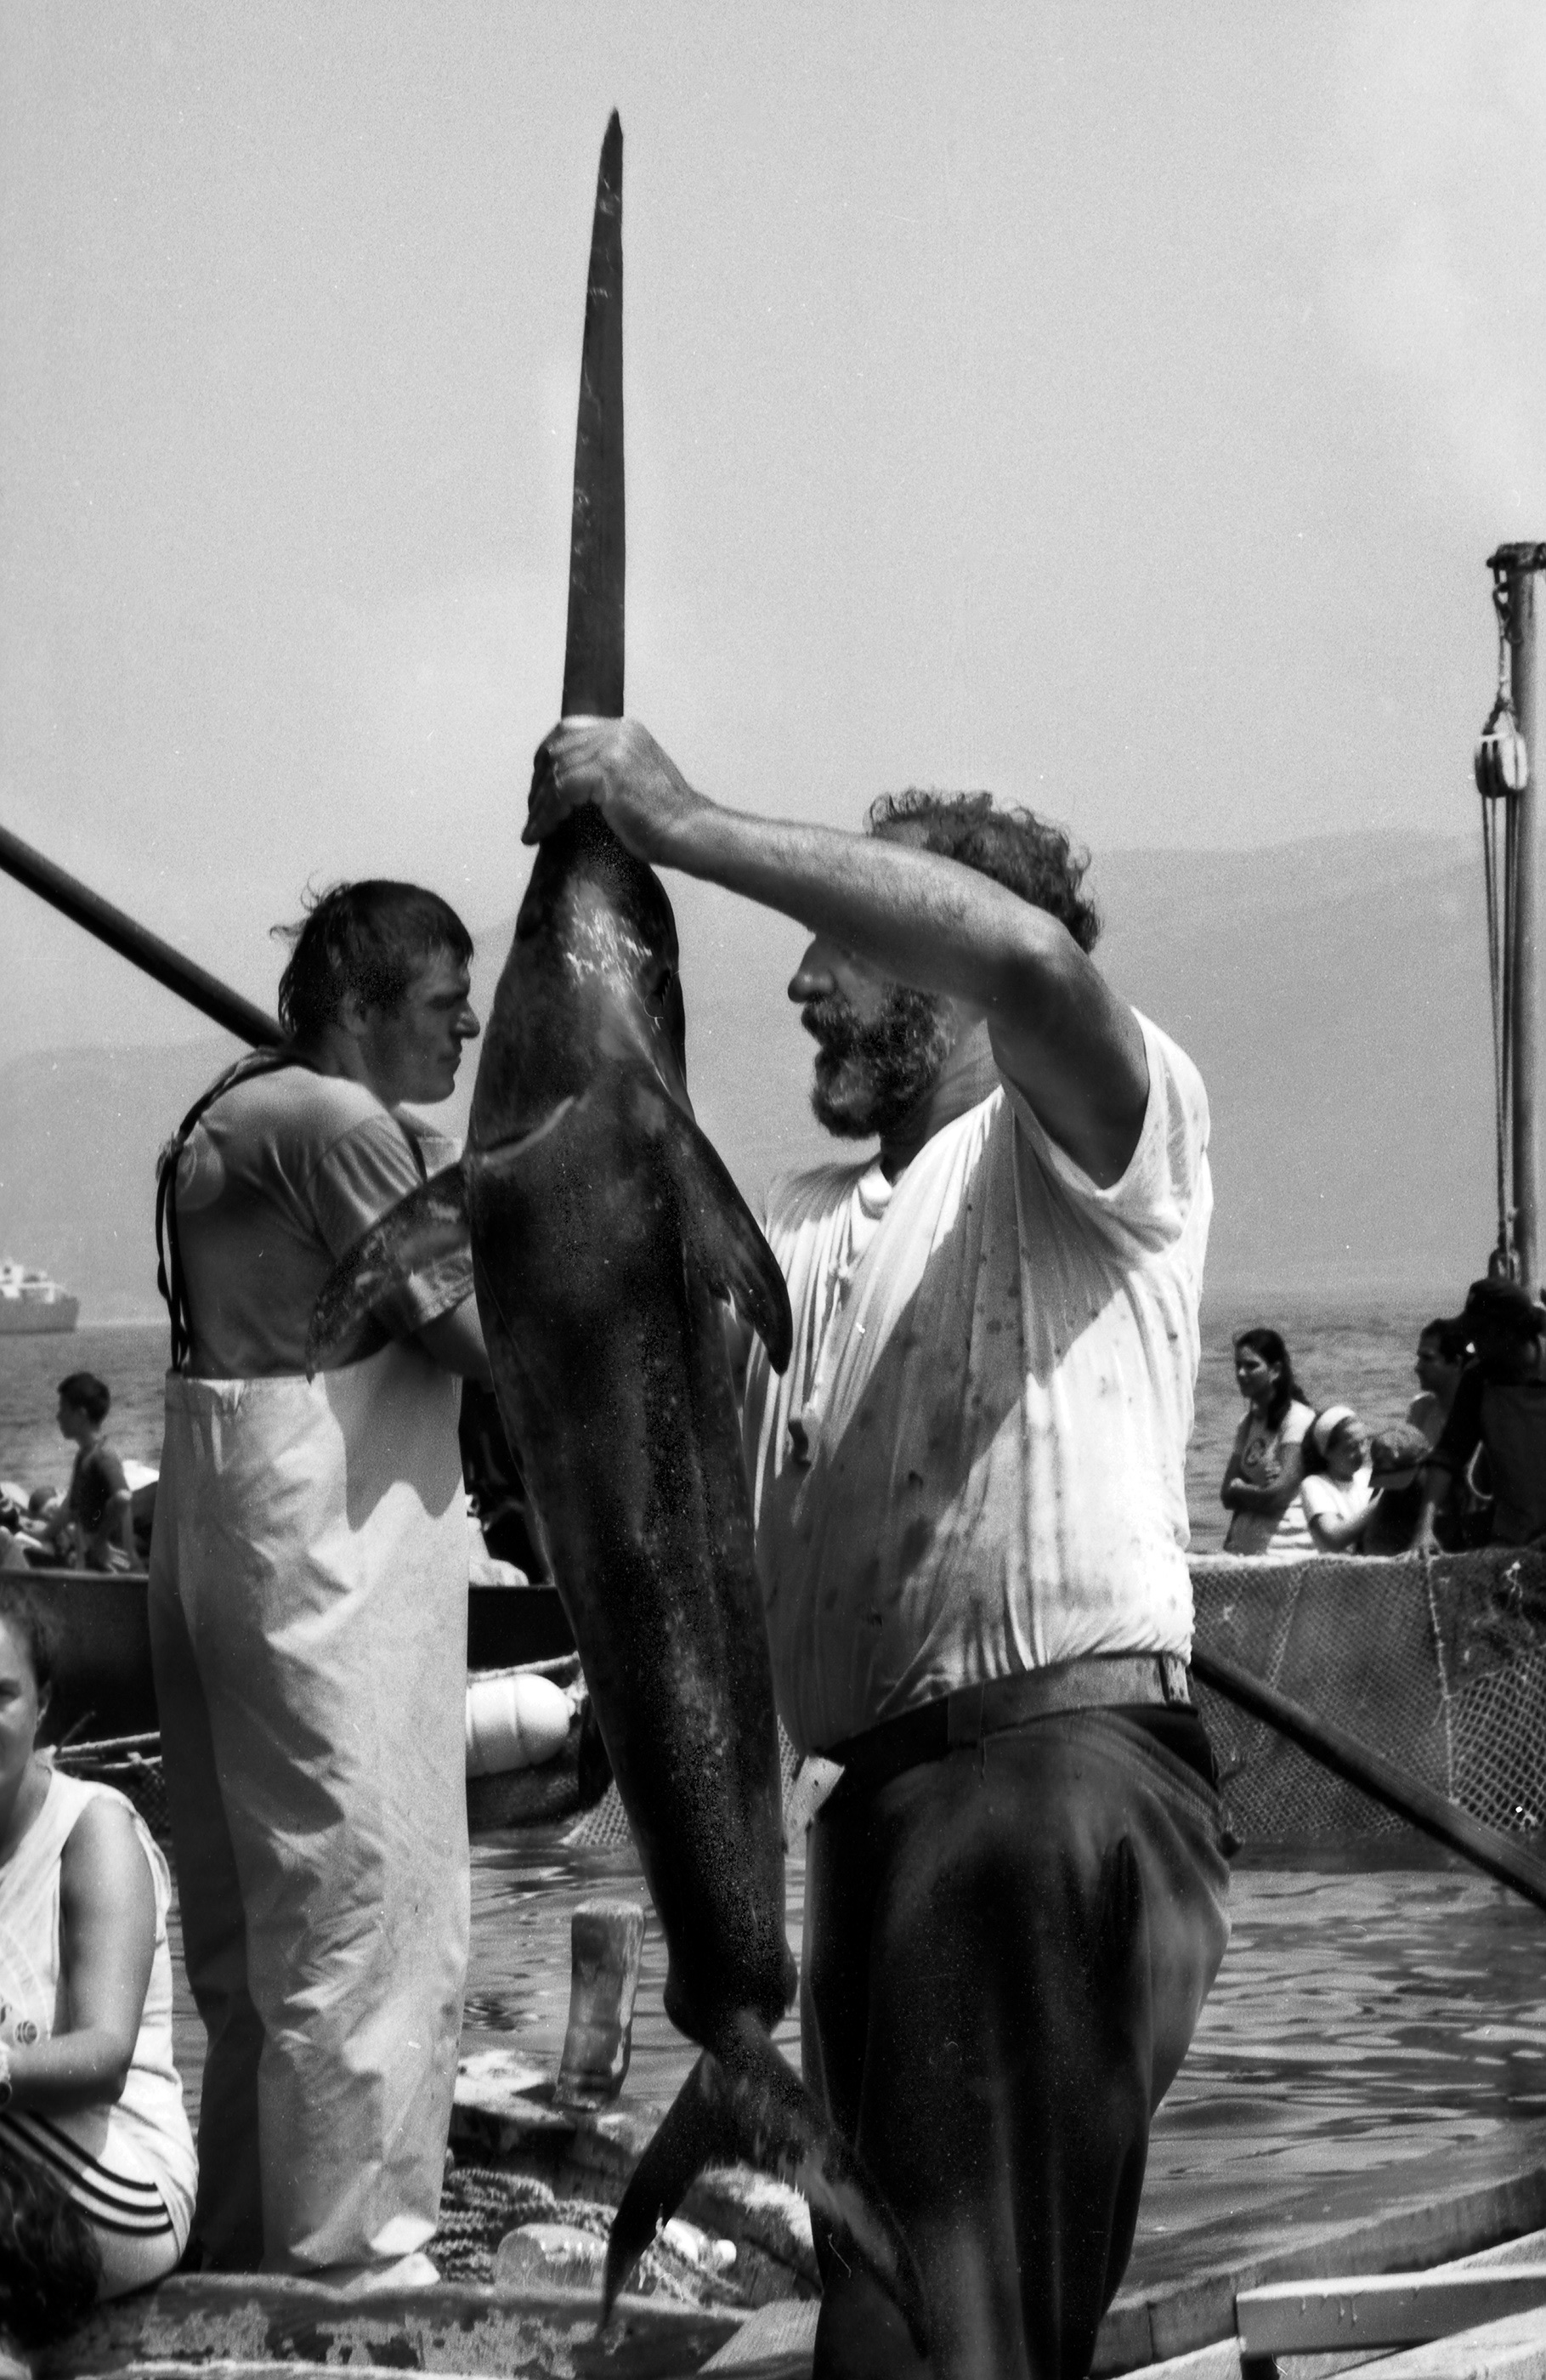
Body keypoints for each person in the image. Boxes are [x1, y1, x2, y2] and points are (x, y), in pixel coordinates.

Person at [527, 719, 1232, 2380]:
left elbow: (1032, 959)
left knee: (939, 2346)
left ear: (936, 942)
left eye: (839, 940)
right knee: (888, 2330)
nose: (800, 989)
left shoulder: (1095, 1146)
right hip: (868, 1825)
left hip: (1039, 1779)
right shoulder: (791, 1220)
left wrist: (676, 823)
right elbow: (591, 1376)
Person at [147, 879, 490, 2287]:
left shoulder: (228, 1112)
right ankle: (354, 2260)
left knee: (250, 1926)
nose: (464, 1030)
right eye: (437, 1006)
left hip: (223, 1532)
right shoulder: (345, 1127)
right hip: (322, 1559)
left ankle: (241, 2237)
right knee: (368, 1906)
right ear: (354, 1004)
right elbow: (470, 1329)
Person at [0, 1584, 197, 2326]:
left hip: (126, 2189)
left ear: (42, 1704)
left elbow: (105, 2059)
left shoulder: (93, 1833)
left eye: (2, 1696)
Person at [1416, 1278, 1546, 1553]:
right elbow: (1448, 1454)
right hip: (1514, 1543)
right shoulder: (1477, 1380)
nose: (1471, 1344)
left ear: (1509, 1333)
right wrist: (1424, 1530)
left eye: (1479, 1333)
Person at [1219, 1328, 1317, 1561]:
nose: (1241, 1373)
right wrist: (1255, 1492)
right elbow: (1226, 1495)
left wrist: (1242, 1488)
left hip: (1286, 1551)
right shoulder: (1247, 1423)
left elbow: (1278, 1496)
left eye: (1251, 1366)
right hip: (1247, 1549)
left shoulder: (1297, 1419)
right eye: (1238, 1366)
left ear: (1275, 1371)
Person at [44, 1376, 135, 1572]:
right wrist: (40, 1535)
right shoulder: (84, 1455)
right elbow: (69, 1510)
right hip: (93, 1565)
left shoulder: (103, 1457)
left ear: (81, 1415)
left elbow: (123, 1497)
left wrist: (100, 1542)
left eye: (63, 1409)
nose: (58, 1416)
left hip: (115, 1571)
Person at [1297, 1406, 1374, 1554]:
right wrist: (1382, 1500)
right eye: (1351, 1447)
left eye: (1364, 1442)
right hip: (1338, 1573)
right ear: (1326, 1452)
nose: (1362, 1452)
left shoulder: (1368, 1476)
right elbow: (1334, 1538)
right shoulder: (1314, 1484)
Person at [1359, 1425, 1431, 1556]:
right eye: (1388, 1482)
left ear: (1426, 1464)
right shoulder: (1384, 1513)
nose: (1396, 1490)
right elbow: (1376, 1547)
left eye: (1404, 1480)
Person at [1407, 1318, 1468, 1451]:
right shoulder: (1420, 1409)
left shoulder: (1480, 1418)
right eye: (1419, 1358)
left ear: (1456, 1363)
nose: (1418, 1367)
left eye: (1427, 1358)